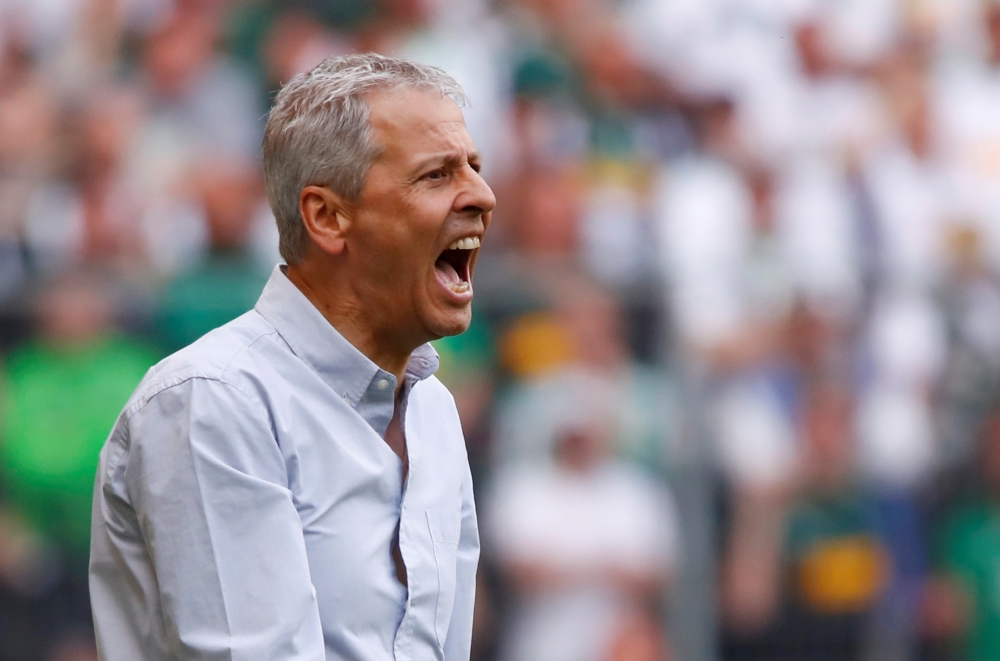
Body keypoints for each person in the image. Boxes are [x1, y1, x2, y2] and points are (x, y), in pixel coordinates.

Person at [89, 53, 495, 660]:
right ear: (327, 217)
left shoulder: (432, 408)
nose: (483, 195)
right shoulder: (215, 401)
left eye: (474, 167)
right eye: (436, 175)